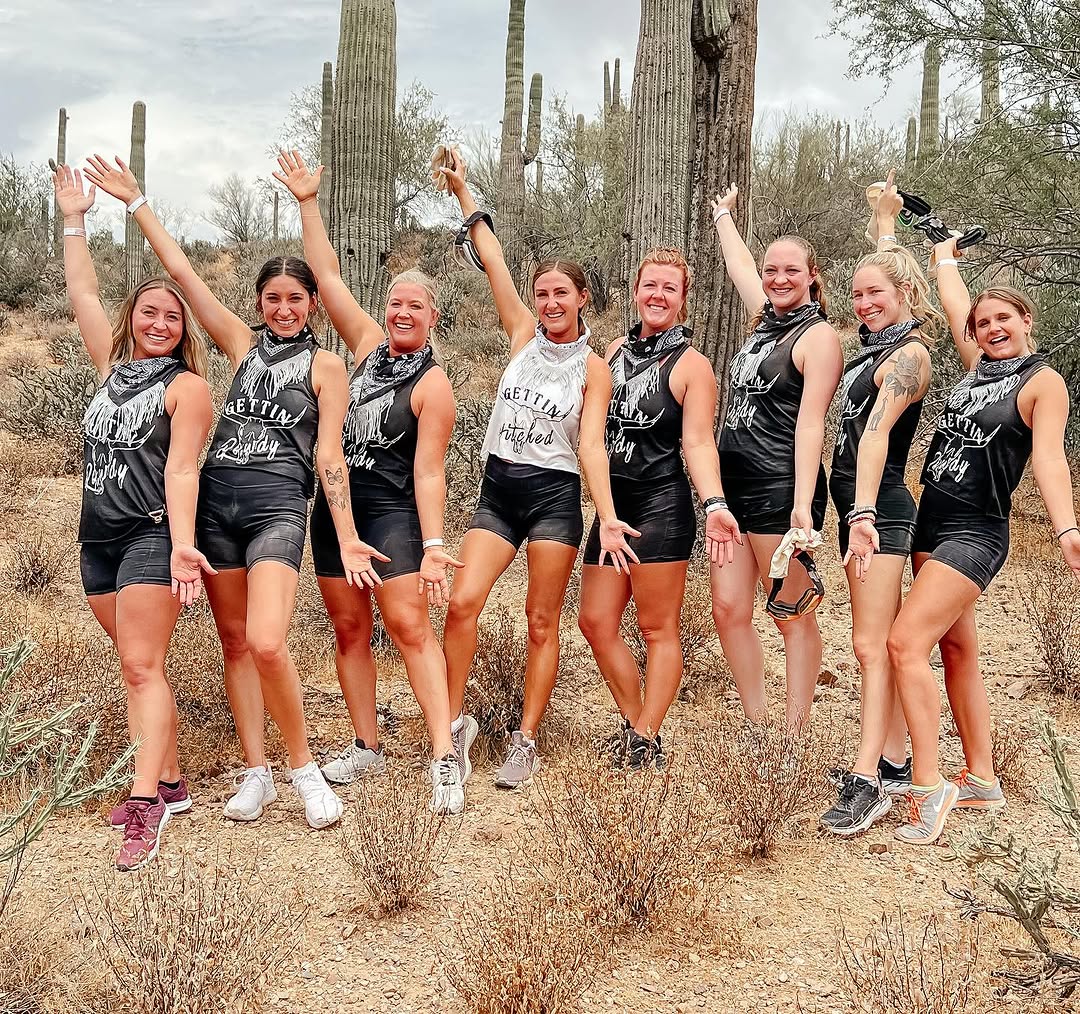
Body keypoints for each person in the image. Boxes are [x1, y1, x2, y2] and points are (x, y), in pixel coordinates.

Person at [85, 155, 383, 830]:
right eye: (272, 297)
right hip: (217, 506)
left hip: (279, 507)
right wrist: (136, 203)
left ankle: (303, 771)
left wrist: (347, 531)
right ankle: (257, 773)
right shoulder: (241, 346)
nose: (283, 308)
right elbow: (185, 277)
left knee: (270, 641)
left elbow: (329, 454)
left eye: (296, 299)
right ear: (259, 303)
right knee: (235, 643)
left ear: (312, 305)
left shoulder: (326, 364)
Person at [438, 147, 636, 788]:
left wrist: (605, 518)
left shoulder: (594, 366)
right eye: (543, 292)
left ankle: (525, 738)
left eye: (562, 294)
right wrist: (467, 197)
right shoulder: (520, 332)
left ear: (583, 299)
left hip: (554, 495)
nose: (550, 302)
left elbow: (593, 445)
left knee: (541, 619)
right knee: (464, 601)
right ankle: (453, 723)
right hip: (499, 486)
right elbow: (491, 256)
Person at [274, 150, 465, 813]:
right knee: (348, 629)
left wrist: (434, 545)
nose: (402, 312)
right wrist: (307, 202)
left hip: (390, 517)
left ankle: (445, 753)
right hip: (334, 514)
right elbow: (324, 277)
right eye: (395, 303)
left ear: (432, 316)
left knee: (409, 629)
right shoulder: (363, 347)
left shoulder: (433, 384)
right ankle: (366, 745)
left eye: (415, 306)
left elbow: (430, 471)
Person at [888, 238, 1080, 845]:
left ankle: (928, 784)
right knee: (956, 651)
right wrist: (944, 257)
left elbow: (1049, 457)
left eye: (1005, 319)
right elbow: (954, 305)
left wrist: (1067, 526)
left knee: (904, 643)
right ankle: (982, 777)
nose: (992, 327)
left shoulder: (1039, 382)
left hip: (977, 531)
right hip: (930, 522)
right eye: (983, 322)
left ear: (1027, 322)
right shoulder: (977, 372)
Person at [53, 164, 214, 870]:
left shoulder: (188, 388)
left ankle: (145, 803)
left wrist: (182, 548)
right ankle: (173, 782)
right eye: (148, 312)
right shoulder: (109, 368)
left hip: (152, 534)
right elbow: (81, 289)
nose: (157, 322)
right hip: (97, 539)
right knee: (135, 668)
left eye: (170, 316)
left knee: (144, 667)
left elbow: (182, 470)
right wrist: (74, 218)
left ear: (182, 332)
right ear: (132, 321)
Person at [577, 247, 742, 769]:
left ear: (683, 300)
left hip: (661, 505)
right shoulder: (611, 352)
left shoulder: (692, 366)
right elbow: (592, 435)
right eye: (651, 285)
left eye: (670, 288)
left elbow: (697, 443)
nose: (658, 295)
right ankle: (638, 725)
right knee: (596, 622)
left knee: (656, 627)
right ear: (635, 290)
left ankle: (645, 736)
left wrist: (714, 502)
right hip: (612, 508)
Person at [819, 175, 943, 836]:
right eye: (858, 294)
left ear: (906, 297)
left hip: (882, 512)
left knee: (870, 647)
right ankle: (893, 761)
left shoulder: (911, 356)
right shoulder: (879, 346)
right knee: (874, 646)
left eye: (878, 294)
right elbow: (887, 271)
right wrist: (884, 222)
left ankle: (867, 778)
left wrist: (861, 515)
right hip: (858, 512)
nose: (865, 302)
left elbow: (873, 436)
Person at [709, 184, 844, 729]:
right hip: (732, 492)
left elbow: (812, 422)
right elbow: (740, 264)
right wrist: (722, 216)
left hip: (780, 489)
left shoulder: (818, 337)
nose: (779, 278)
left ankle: (793, 735)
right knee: (728, 610)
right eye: (772, 271)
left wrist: (802, 507)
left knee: (791, 612)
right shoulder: (765, 321)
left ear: (813, 275)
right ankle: (758, 722)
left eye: (792, 270)